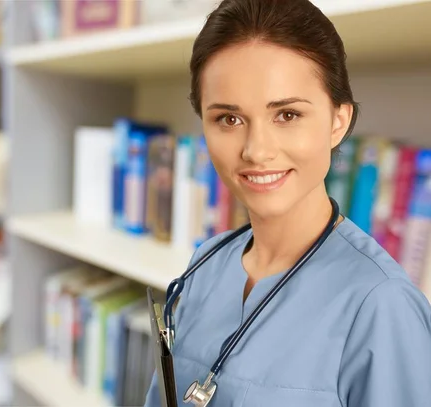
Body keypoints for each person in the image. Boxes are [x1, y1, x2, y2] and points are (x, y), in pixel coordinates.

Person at [143, 0, 431, 406]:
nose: (257, 151)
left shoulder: (383, 306)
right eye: (228, 119)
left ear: (338, 121)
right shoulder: (206, 262)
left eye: (288, 115)